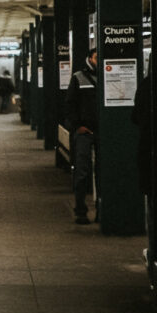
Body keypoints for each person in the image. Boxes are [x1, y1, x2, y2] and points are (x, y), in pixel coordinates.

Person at [65, 48, 98, 224]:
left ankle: (102, 209)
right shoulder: (78, 77)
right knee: (82, 171)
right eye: (95, 57)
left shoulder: (109, 75)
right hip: (84, 131)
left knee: (102, 171)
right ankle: (80, 209)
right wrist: (78, 126)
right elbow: (70, 104)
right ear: (89, 59)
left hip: (101, 131)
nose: (98, 60)